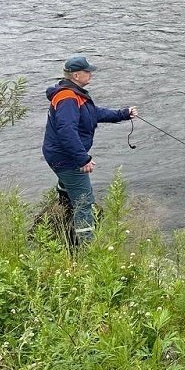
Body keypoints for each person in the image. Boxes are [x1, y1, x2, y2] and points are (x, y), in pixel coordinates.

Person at [42, 56, 137, 245]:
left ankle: (62, 211)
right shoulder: (68, 98)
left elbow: (93, 113)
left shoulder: (72, 93)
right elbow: (67, 131)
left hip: (58, 155)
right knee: (85, 202)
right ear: (76, 75)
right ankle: (87, 248)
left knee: (67, 186)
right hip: (66, 158)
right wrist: (83, 159)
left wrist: (123, 114)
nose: (90, 74)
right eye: (87, 71)